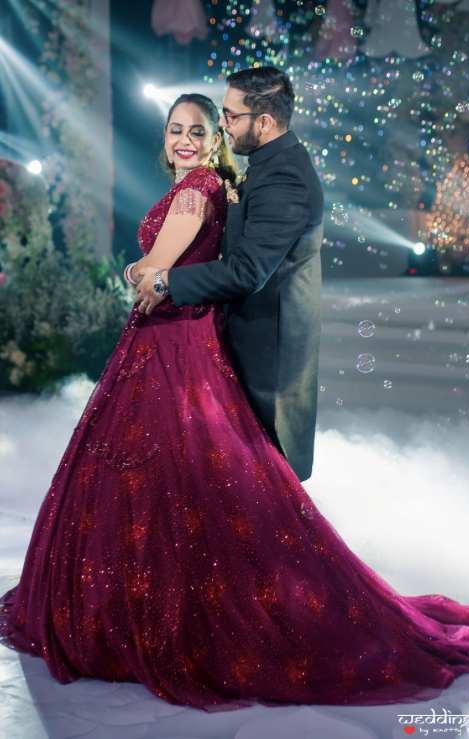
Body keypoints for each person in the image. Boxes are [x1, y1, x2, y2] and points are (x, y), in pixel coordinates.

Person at [1, 92, 469, 716]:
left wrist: (135, 273)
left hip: (172, 344)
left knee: (167, 478)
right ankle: (150, 597)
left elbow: (156, 271)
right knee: (168, 482)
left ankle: (154, 612)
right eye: (175, 128)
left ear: (215, 140)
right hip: (176, 337)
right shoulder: (215, 188)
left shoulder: (195, 190)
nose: (184, 138)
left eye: (199, 128)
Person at [135, 67, 324, 483]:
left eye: (230, 116)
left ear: (265, 122)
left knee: (264, 488)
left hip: (269, 355)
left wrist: (166, 280)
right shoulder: (269, 164)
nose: (223, 123)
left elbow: (247, 271)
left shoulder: (285, 178)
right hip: (238, 336)